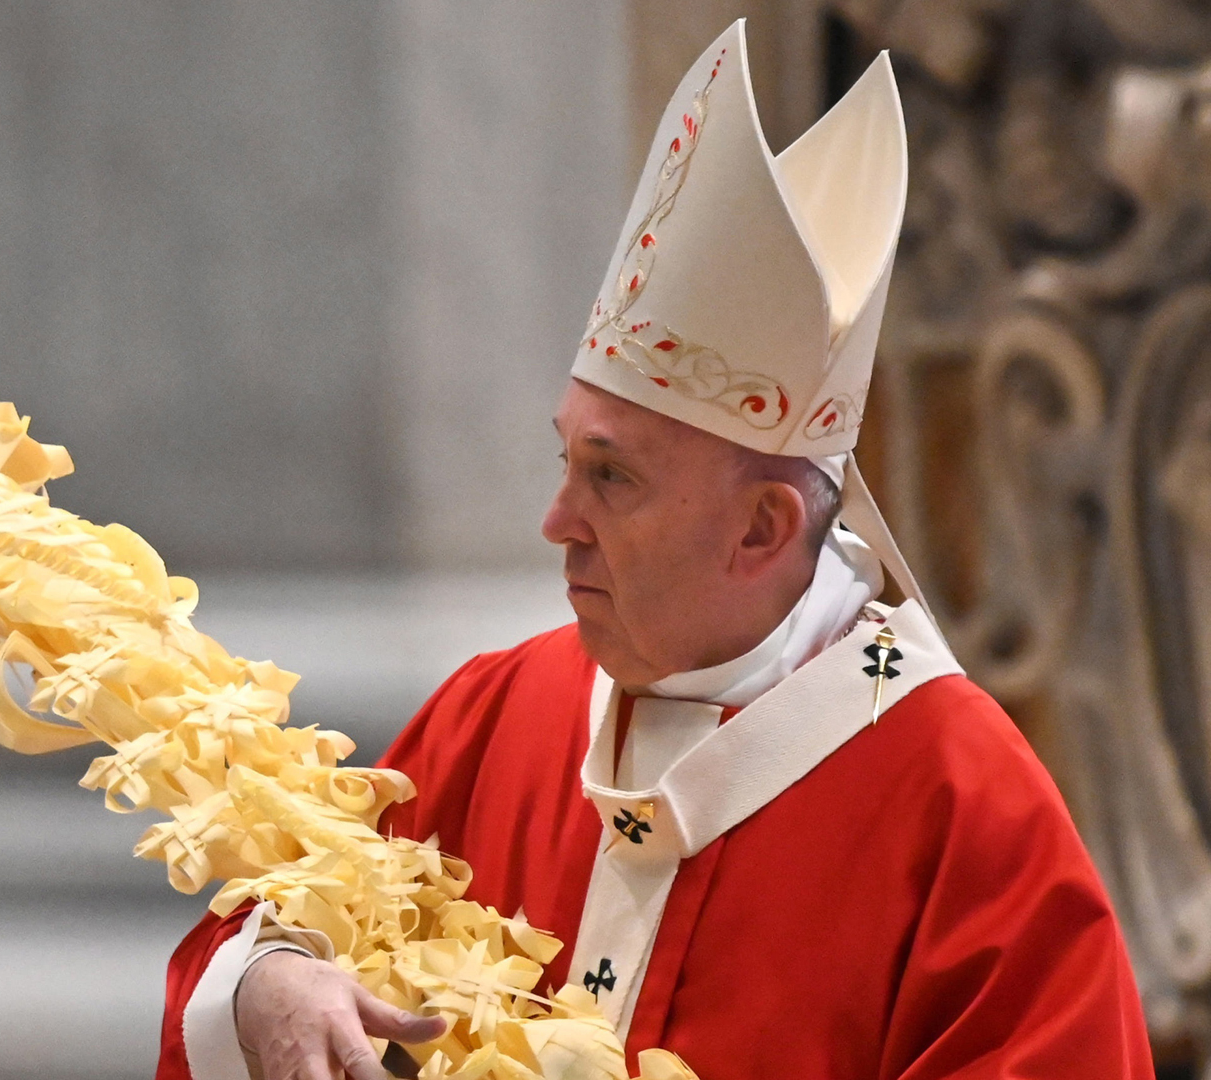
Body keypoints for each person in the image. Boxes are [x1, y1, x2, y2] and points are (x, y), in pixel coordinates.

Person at [155, 21, 1153, 1080]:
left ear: (762, 527)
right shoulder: (499, 713)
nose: (558, 520)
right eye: (566, 460)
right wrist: (268, 981)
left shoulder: (960, 802)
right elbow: (275, 921)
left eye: (612, 478)